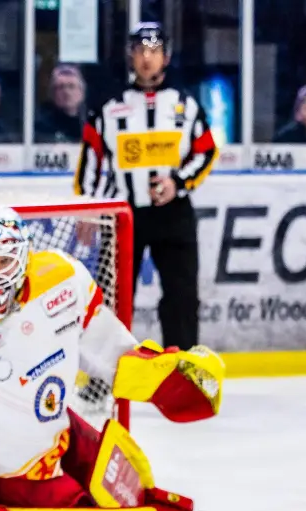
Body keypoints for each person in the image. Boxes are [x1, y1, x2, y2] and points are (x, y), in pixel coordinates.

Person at [0, 208, 222, 509]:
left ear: (25, 256)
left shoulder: (62, 277)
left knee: (127, 478)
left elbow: (104, 346)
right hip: (5, 464)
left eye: (4, 261)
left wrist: (160, 376)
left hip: (58, 428)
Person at [76, 22, 217, 350]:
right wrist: (86, 207)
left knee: (182, 297)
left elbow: (206, 151)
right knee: (113, 299)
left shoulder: (186, 104)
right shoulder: (108, 107)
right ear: (130, 56)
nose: (146, 58)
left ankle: (183, 373)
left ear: (165, 57)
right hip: (123, 214)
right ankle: (102, 381)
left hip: (174, 213)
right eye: (140, 51)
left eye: (154, 51)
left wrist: (178, 183)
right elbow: (90, 162)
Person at [34, 63, 86, 144]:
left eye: (71, 86)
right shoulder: (42, 128)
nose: (66, 92)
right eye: (61, 87)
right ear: (52, 94)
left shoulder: (92, 124)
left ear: (81, 93)